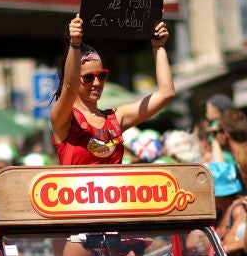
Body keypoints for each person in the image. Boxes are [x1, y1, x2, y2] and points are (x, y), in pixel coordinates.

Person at [50, 13, 174, 165]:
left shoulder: (116, 118)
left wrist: (159, 46)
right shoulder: (63, 118)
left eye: (101, 75)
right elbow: (70, 87)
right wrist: (74, 43)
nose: (97, 83)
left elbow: (166, 93)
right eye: (88, 78)